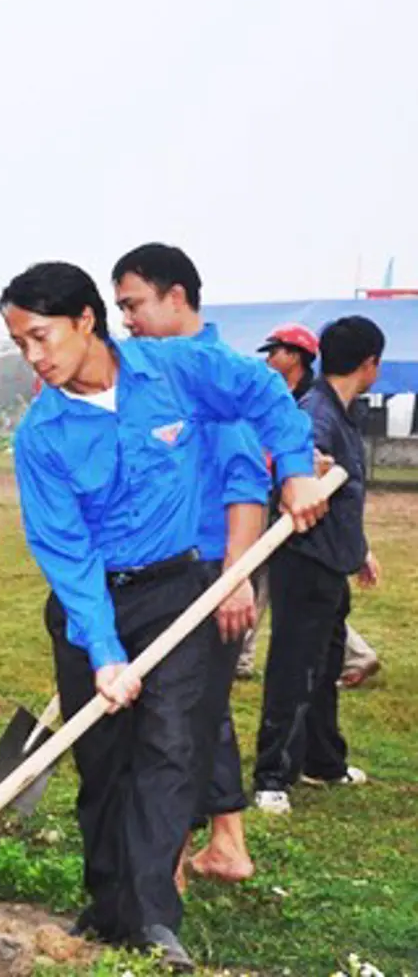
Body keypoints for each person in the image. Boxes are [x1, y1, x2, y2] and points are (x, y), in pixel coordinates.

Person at [0, 262, 323, 968]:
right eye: (20, 343)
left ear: (87, 319)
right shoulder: (42, 434)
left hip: (179, 592)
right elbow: (66, 550)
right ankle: (108, 902)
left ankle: (150, 917)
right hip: (92, 601)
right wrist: (104, 650)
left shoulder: (177, 371)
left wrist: (294, 467)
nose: (34, 356)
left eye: (40, 336)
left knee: (172, 748)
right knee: (104, 758)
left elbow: (264, 391)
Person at [112, 244, 267, 886]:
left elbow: (243, 484)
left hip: (204, 570)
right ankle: (224, 840)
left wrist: (233, 578)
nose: (127, 321)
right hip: (170, 566)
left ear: (176, 298)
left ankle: (167, 863)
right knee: (201, 709)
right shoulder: (158, 373)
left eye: (133, 305)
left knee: (175, 719)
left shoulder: (211, 372)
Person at [252, 316, 385, 815]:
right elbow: (292, 470)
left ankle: (323, 760)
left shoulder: (341, 412)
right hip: (303, 560)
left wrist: (361, 549)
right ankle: (272, 776)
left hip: (331, 560)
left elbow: (343, 495)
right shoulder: (315, 415)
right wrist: (306, 465)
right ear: (369, 363)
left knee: (326, 666)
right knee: (294, 668)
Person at [241, 324, 382, 687]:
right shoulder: (294, 401)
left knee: (303, 632)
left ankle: (358, 655)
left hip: (306, 539)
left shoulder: (312, 408)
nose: (270, 358)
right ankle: (242, 656)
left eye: (276, 351)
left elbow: (313, 463)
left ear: (296, 355)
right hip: (293, 532)